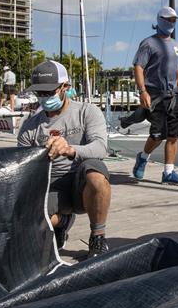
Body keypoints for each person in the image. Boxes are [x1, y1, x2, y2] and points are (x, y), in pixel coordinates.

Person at [17, 60, 112, 258]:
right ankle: (62, 222)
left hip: (80, 182)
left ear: (65, 87)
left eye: (49, 92)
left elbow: (101, 148)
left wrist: (69, 149)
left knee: (97, 174)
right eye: (39, 93)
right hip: (50, 186)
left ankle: (98, 237)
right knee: (29, 222)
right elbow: (22, 169)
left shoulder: (87, 112)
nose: (44, 98)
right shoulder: (30, 126)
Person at [129, 6, 178, 186]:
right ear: (159, 20)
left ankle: (168, 173)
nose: (171, 22)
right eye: (168, 19)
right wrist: (142, 91)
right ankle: (143, 157)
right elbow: (138, 67)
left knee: (173, 134)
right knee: (157, 135)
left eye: (174, 20)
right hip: (155, 94)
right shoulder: (148, 43)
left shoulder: (176, 45)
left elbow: (176, 71)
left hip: (174, 96)